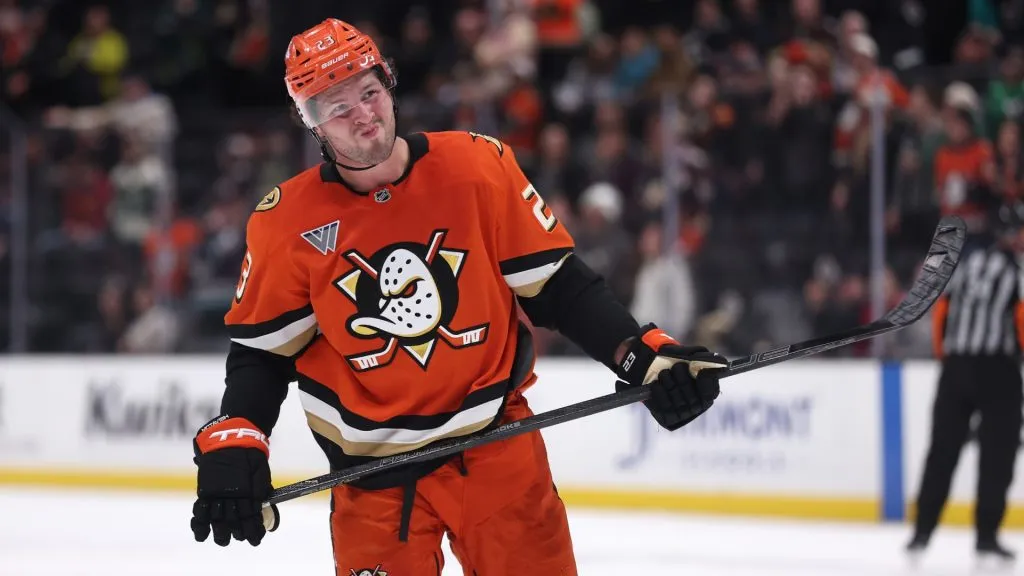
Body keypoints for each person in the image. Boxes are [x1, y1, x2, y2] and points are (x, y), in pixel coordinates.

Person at [188, 18, 728, 575]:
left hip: (497, 447)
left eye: (369, 93)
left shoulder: (478, 167)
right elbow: (263, 352)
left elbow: (560, 287)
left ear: (389, 83)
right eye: (337, 107)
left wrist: (642, 356)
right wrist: (240, 434)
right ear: (310, 122)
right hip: (371, 481)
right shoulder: (284, 222)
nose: (364, 117)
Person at [906, 201, 1024, 567]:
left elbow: (940, 311)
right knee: (997, 455)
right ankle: (985, 539)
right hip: (998, 370)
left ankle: (921, 534)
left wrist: (948, 358)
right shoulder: (1018, 272)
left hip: (956, 369)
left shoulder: (966, 265)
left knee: (942, 450)